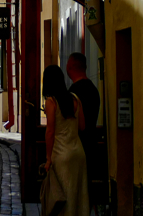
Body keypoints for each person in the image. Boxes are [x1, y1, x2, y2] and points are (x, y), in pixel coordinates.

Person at [42, 64, 89, 216]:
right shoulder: (75, 98)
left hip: (61, 155)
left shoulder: (51, 102)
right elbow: (82, 126)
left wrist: (48, 159)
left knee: (63, 197)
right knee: (78, 196)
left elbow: (50, 132)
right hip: (78, 153)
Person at [67, 52, 101, 209]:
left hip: (75, 147)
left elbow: (74, 123)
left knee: (75, 190)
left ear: (72, 66)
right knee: (85, 189)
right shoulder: (93, 90)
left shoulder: (74, 92)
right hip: (91, 144)